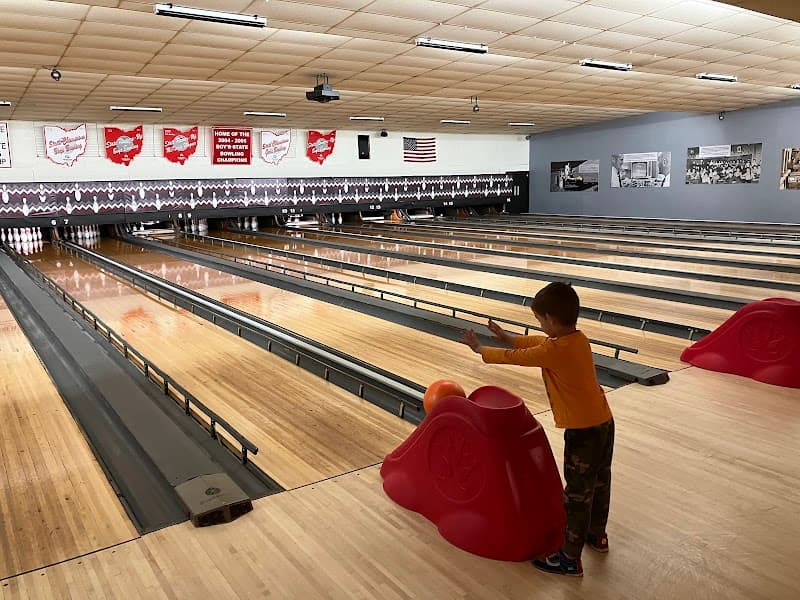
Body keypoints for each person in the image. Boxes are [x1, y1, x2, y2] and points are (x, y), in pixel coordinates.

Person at [460, 282, 614, 578]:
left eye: (540, 321)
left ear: (552, 321)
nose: (540, 326)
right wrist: (508, 337)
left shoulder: (556, 350)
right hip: (604, 422)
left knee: (577, 494)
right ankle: (597, 535)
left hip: (583, 431)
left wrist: (482, 349)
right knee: (600, 481)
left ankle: (569, 558)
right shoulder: (577, 339)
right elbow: (539, 346)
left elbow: (522, 358)